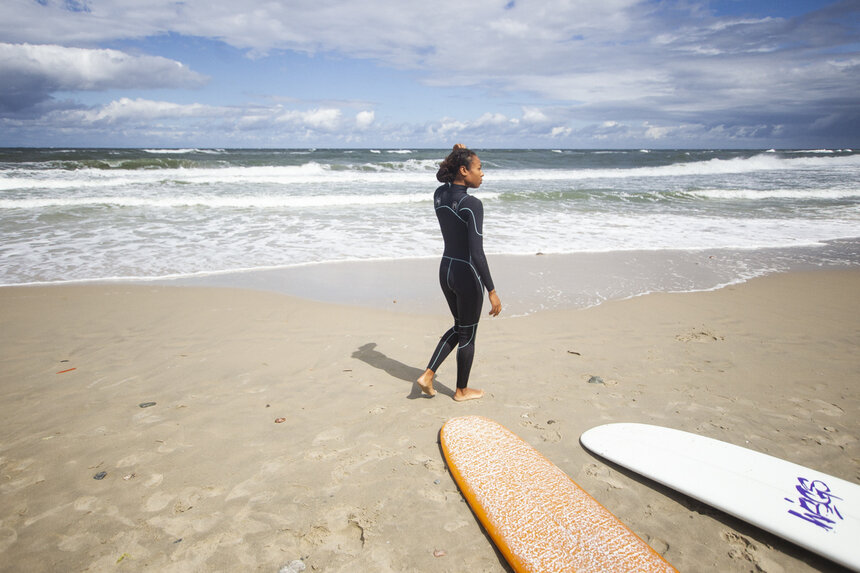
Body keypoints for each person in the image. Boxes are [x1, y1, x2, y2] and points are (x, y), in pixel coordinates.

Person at [416, 144, 502, 401]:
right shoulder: (471, 204)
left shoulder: (439, 195)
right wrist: (492, 290)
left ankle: (428, 375)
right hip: (465, 274)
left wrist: (455, 154)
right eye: (479, 168)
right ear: (464, 171)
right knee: (469, 333)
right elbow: (477, 254)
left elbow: (444, 180)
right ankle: (461, 391)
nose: (482, 173)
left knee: (459, 326)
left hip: (446, 271)